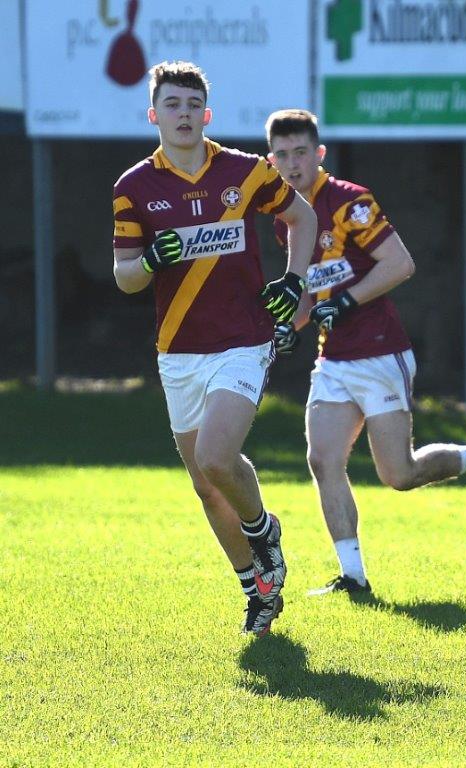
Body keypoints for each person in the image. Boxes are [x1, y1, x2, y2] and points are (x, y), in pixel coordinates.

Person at [263, 109, 466, 595]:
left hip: (378, 353)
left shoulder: (349, 202)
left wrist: (344, 302)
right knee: (323, 460)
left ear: (318, 154)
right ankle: (353, 576)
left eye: (300, 152)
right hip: (333, 362)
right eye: (282, 155)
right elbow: (306, 289)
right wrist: (288, 326)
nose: (292, 164)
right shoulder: (287, 217)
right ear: (271, 160)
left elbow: (399, 264)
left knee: (400, 474)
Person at [112, 61, 318, 636]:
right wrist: (153, 259)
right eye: (172, 105)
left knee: (216, 458)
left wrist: (294, 280)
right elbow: (125, 275)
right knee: (206, 487)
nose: (183, 114)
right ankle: (257, 588)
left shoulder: (245, 171)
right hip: (178, 348)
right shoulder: (132, 188)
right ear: (154, 115)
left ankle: (263, 532)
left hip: (244, 340)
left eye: (192, 104)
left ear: (208, 113)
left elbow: (302, 216)